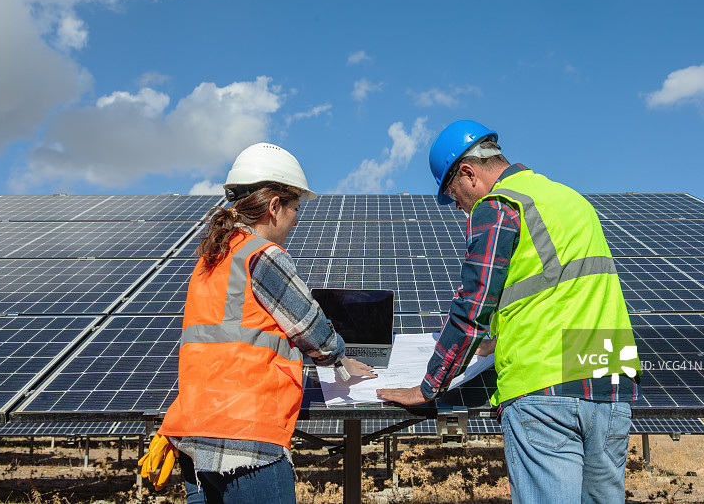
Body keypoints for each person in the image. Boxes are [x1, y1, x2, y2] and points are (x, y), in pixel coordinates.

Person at [377, 120, 643, 504]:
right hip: (609, 380)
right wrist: (497, 342)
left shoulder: (499, 204)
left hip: (545, 390)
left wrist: (428, 387)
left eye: (454, 196)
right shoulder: (570, 199)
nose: (458, 207)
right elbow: (563, 290)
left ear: (468, 174)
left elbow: (473, 305)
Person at [157, 142, 375, 503]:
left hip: (194, 437)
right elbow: (313, 332)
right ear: (274, 207)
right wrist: (342, 359)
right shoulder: (263, 256)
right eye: (294, 208)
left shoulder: (211, 258)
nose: (297, 219)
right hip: (248, 441)